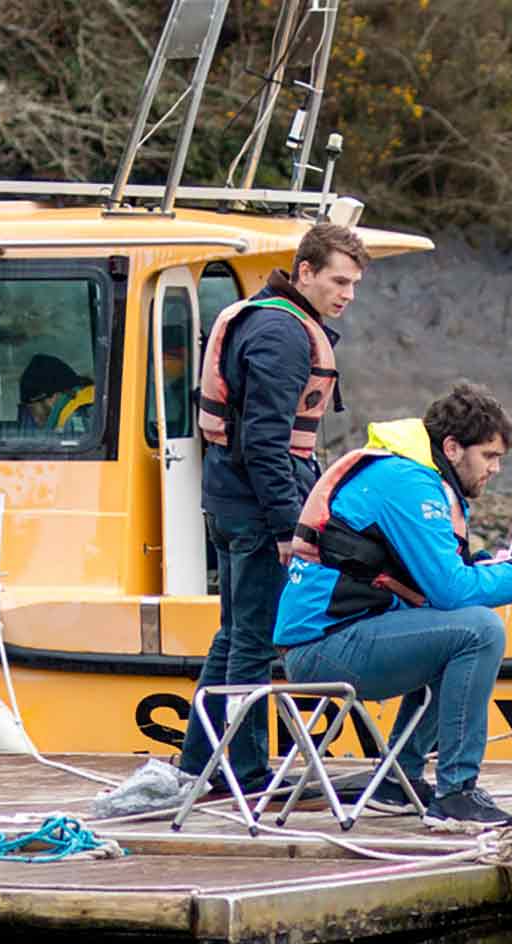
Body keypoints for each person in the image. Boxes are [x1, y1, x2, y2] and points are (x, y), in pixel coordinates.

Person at [273, 383, 512, 831]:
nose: (495, 469)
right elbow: (451, 591)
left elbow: (433, 579)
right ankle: (456, 792)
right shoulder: (409, 481)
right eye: (489, 456)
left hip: (339, 636)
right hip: (324, 648)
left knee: (458, 630)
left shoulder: (410, 473)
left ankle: (400, 780)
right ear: (452, 448)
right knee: (478, 630)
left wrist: (501, 567)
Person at [177, 223, 372, 794]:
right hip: (259, 507)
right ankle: (247, 773)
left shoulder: (259, 317)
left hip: (227, 499)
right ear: (304, 272)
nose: (347, 295)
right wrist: (290, 527)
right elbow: (265, 441)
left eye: (355, 284)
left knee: (234, 634)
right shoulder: (283, 336)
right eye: (339, 280)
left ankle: (200, 764)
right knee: (255, 642)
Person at [18, 352, 95, 434]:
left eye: (32, 410)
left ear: (53, 398)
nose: (34, 420)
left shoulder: (73, 424)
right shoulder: (93, 407)